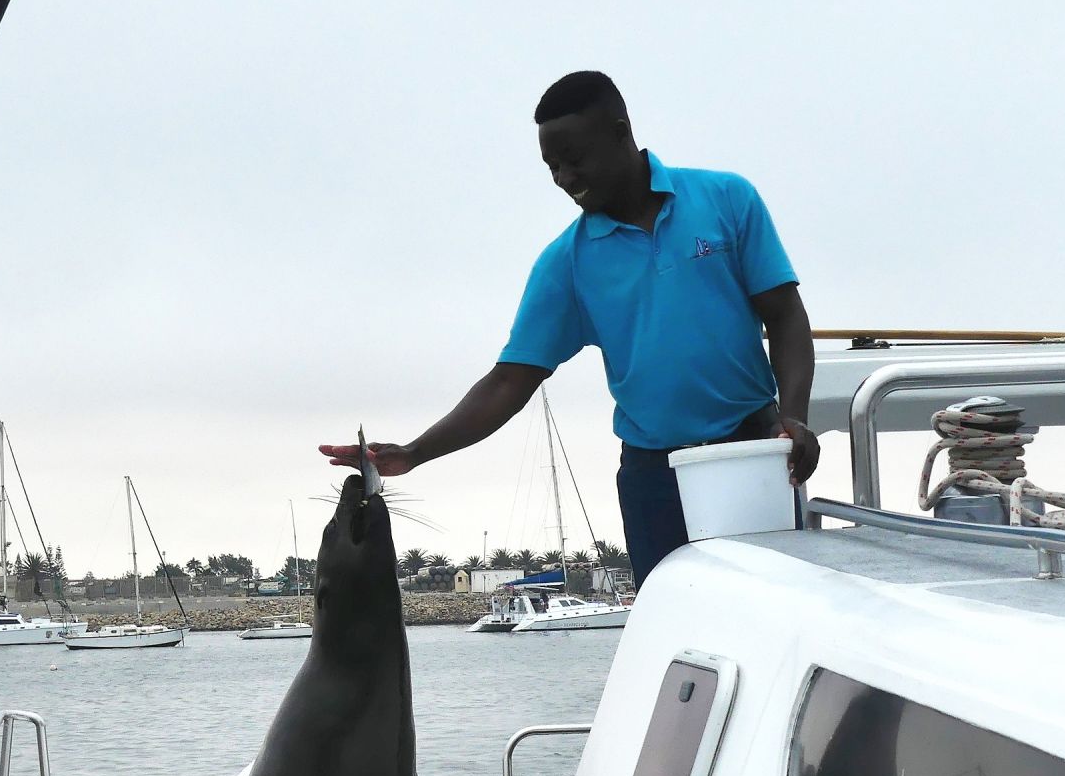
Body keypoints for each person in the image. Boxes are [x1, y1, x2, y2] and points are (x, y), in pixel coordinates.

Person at [321, 71, 819, 588]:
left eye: (574, 159)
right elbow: (508, 382)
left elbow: (785, 316)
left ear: (621, 130)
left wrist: (793, 418)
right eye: (551, 166)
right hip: (656, 474)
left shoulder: (727, 200)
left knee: (772, 607)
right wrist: (415, 452)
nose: (563, 177)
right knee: (682, 630)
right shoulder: (567, 263)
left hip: (752, 450)